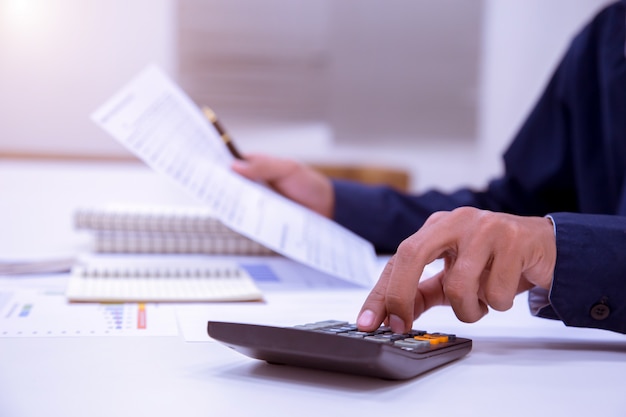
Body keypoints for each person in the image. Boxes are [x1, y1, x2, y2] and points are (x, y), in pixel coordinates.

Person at [232, 1, 626, 335]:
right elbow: (511, 209)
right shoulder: (608, 35)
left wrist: (567, 249)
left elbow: (541, 233)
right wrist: (335, 202)